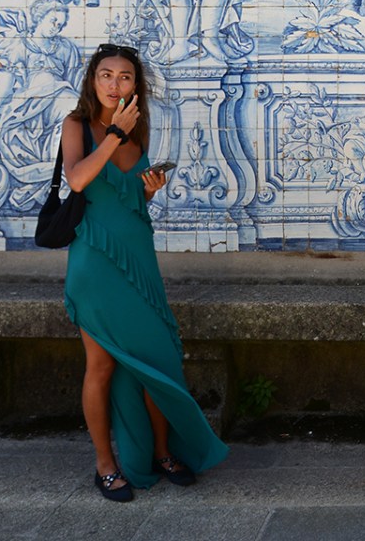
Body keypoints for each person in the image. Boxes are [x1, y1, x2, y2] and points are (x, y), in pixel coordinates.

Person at [60, 43, 228, 501]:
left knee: (159, 357)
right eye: (106, 75)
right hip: (95, 261)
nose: (115, 84)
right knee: (101, 366)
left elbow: (128, 198)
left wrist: (150, 189)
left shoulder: (139, 129)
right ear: (93, 80)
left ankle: (161, 451)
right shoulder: (77, 125)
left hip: (138, 257)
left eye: (125, 77)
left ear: (136, 84)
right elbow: (78, 180)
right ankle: (105, 464)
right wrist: (114, 133)